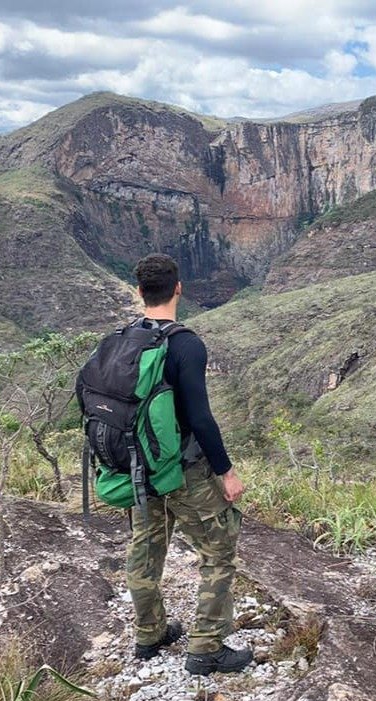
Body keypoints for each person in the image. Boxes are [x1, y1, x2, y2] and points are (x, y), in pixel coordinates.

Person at [123, 253, 252, 676]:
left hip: (139, 470)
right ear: (179, 288)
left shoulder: (124, 339)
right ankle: (205, 648)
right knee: (218, 550)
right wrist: (226, 472)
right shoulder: (186, 344)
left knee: (146, 549)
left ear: (140, 292)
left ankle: (149, 634)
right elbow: (200, 418)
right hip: (182, 470)